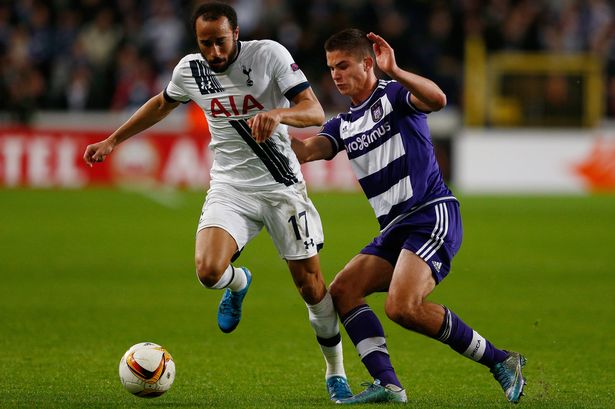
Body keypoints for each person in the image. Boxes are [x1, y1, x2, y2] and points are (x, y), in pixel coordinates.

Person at [83, 2, 352, 401]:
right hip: (231, 187)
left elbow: (313, 111)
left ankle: (336, 372)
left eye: (220, 42)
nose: (213, 52)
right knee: (208, 270)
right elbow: (162, 103)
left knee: (312, 288)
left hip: (281, 187)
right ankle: (239, 282)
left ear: (237, 33)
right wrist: (114, 139)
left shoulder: (269, 55)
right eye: (205, 43)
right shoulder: (189, 70)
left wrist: (278, 114)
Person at [291, 28, 526, 404]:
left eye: (343, 65)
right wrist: (264, 125)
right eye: (331, 67)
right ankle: (388, 385)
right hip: (395, 230)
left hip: (430, 215)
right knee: (343, 291)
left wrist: (396, 70)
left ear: (368, 63)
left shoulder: (394, 95)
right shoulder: (343, 123)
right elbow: (305, 152)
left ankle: (502, 361)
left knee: (402, 306)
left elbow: (438, 98)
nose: (334, 74)